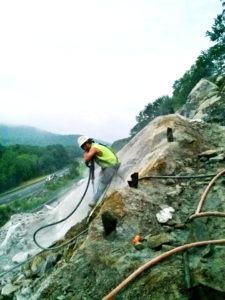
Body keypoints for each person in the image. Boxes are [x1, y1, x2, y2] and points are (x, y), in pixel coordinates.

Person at [77, 135, 120, 208]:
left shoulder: (94, 148)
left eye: (84, 144)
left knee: (103, 182)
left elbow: (87, 158)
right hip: (108, 165)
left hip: (112, 165)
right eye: (82, 146)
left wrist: (86, 153)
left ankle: (94, 200)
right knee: (100, 178)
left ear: (88, 142)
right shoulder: (94, 146)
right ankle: (98, 193)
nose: (84, 147)